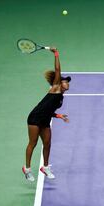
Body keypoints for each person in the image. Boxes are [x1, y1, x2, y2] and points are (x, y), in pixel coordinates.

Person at [22, 47, 71, 182]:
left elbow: (49, 110)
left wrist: (59, 116)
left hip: (45, 119)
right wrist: (56, 54)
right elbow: (58, 70)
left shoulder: (61, 97)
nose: (67, 83)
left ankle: (45, 167)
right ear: (59, 82)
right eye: (65, 81)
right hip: (35, 117)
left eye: (67, 81)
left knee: (48, 143)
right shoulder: (55, 88)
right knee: (33, 143)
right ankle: (27, 169)